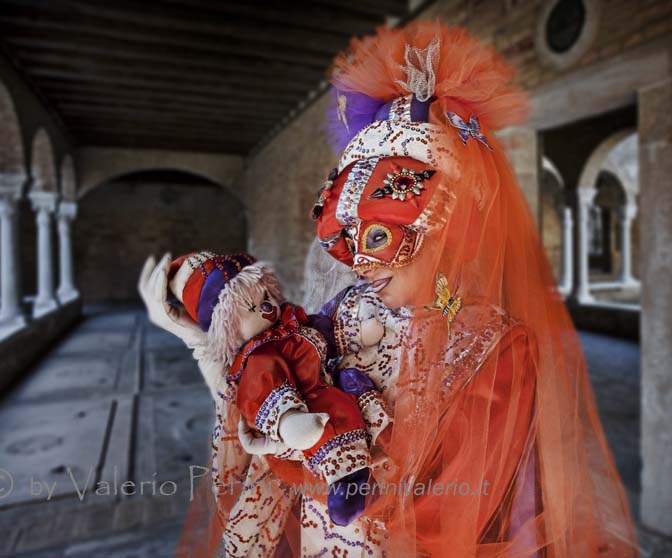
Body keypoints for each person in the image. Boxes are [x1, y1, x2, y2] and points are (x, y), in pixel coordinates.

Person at [142, 20, 639, 558]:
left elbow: (451, 513)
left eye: (379, 239)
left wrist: (316, 453)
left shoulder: (493, 348)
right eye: (344, 240)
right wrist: (215, 353)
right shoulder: (346, 311)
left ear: (447, 232)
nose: (357, 263)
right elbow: (274, 388)